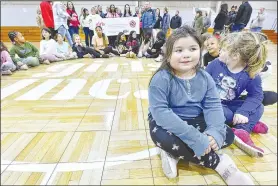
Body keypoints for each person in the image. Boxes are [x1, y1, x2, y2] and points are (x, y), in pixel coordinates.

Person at [148, 25, 254, 185]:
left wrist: (214, 133)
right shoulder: (161, 79)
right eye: (179, 50)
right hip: (167, 125)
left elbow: (213, 106)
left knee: (227, 135)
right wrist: (195, 139)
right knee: (163, 138)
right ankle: (219, 163)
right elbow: (162, 114)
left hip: (196, 120)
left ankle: (176, 153)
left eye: (192, 49)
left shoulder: (205, 77)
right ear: (168, 54)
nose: (186, 55)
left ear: (200, 50)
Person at [205, 31, 268, 158]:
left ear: (235, 55)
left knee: (259, 107)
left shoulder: (251, 73)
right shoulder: (214, 64)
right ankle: (247, 123)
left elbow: (256, 96)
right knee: (222, 113)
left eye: (223, 49)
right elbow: (202, 84)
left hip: (229, 104)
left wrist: (243, 112)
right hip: (213, 105)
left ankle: (242, 131)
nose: (220, 51)